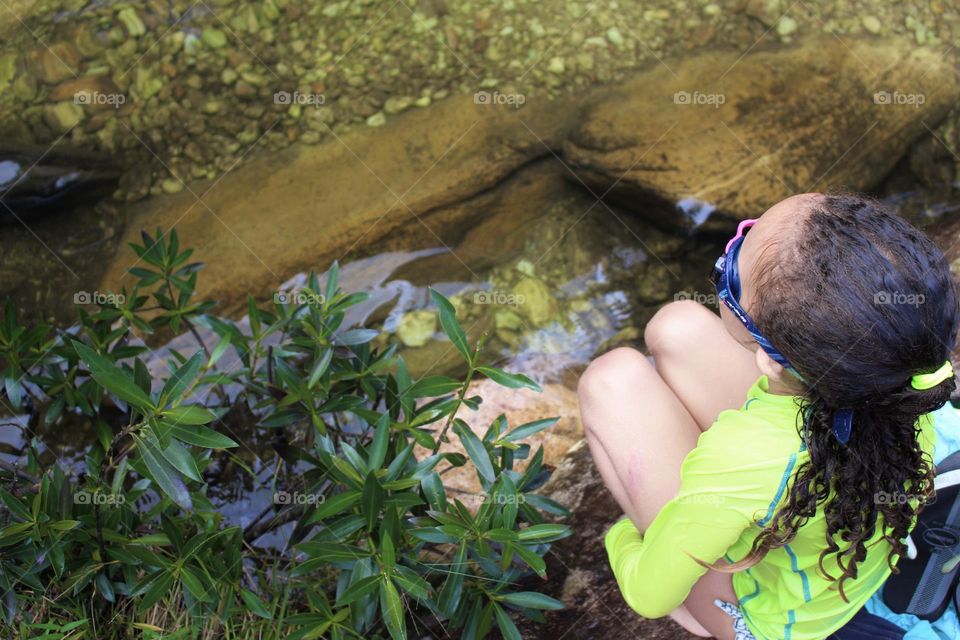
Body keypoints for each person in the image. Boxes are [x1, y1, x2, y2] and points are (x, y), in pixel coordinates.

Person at [577, 193, 960, 639]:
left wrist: (624, 535)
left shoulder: (744, 458)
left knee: (612, 378)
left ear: (773, 363)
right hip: (851, 562)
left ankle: (707, 621)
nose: (731, 246)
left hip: (781, 622)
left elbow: (649, 596)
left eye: (729, 268)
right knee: (676, 324)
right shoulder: (906, 375)